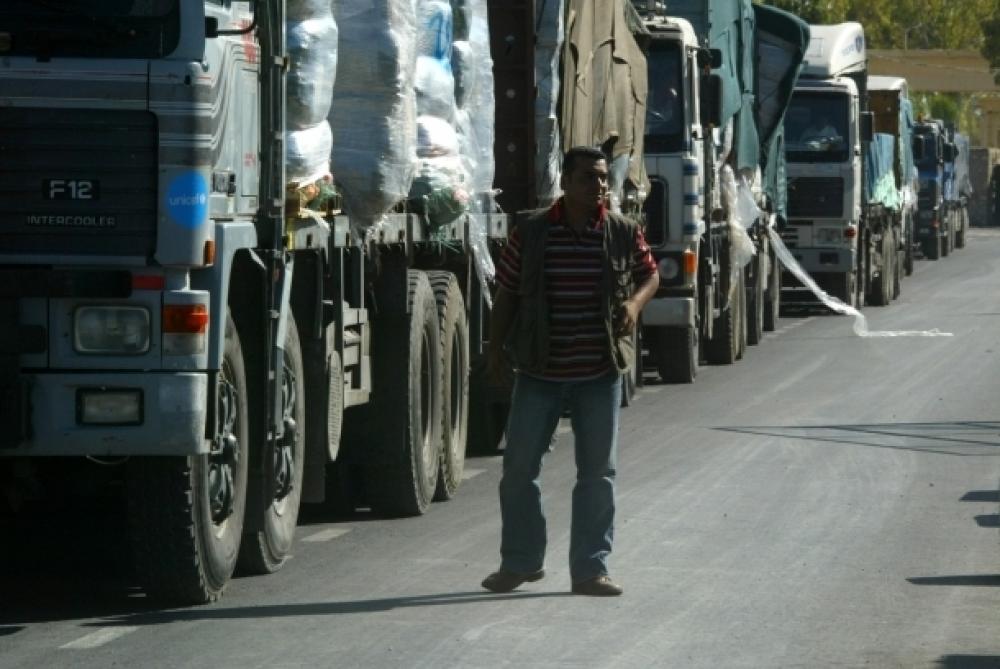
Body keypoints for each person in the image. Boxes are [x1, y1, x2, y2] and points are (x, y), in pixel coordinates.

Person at [481, 146, 659, 597]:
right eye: (587, 178)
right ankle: (520, 563)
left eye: (602, 177)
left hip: (599, 372)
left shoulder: (621, 230)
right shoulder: (533, 232)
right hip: (539, 371)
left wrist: (634, 305)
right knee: (519, 471)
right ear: (565, 182)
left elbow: (650, 274)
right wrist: (495, 349)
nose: (598, 185)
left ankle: (591, 569)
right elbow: (507, 292)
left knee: (597, 474)